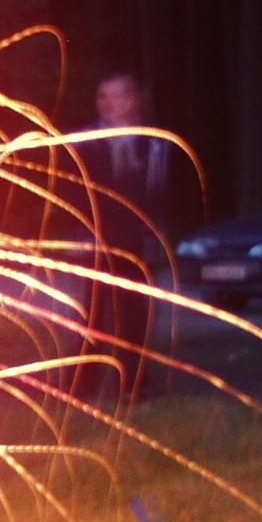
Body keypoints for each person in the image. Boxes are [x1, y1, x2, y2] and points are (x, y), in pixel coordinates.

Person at [77, 72, 180, 400]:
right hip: (97, 237)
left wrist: (157, 235)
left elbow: (163, 192)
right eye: (103, 96)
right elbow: (74, 191)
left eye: (118, 95)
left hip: (136, 238)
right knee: (92, 312)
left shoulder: (155, 143)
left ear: (135, 99)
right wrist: (83, 231)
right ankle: (83, 384)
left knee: (135, 312)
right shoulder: (84, 141)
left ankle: (133, 383)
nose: (109, 103)